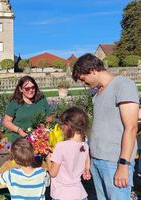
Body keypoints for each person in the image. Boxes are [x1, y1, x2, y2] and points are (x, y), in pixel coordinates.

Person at [72, 53, 139, 199]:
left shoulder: (123, 85)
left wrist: (123, 164)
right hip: (97, 160)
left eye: (84, 79)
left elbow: (131, 127)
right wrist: (89, 159)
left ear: (93, 70)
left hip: (115, 162)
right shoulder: (97, 95)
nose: (84, 84)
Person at [47, 107, 91, 200]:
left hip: (61, 194)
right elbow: (86, 164)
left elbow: (53, 173)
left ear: (69, 125)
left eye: (63, 124)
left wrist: (47, 156)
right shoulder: (85, 146)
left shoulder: (61, 146)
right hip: (79, 194)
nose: (61, 127)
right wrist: (86, 171)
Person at [3, 76, 51, 142]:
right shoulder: (15, 102)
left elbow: (49, 116)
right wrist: (19, 130)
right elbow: (6, 122)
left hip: (40, 138)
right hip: (21, 140)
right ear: (20, 89)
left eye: (33, 87)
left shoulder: (41, 99)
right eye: (27, 88)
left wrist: (45, 124)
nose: (31, 90)